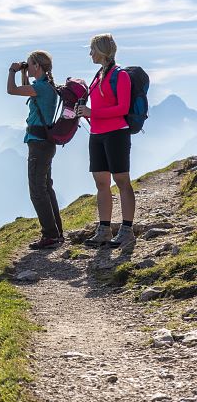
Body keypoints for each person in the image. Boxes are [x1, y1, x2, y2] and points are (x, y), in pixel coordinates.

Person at [75, 33, 136, 248]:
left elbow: (123, 108)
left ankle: (127, 230)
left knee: (122, 181)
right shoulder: (97, 76)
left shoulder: (120, 75)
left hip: (117, 133)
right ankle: (104, 230)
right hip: (97, 134)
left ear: (101, 51)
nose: (90, 54)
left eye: (92, 50)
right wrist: (85, 112)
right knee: (101, 182)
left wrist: (92, 112)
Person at [7, 51, 63, 249]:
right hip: (45, 143)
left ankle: (50, 235)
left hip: (39, 144)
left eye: (29, 64)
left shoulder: (41, 87)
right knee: (46, 188)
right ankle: (56, 233)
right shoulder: (45, 86)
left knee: (37, 192)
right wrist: (24, 72)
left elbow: (12, 90)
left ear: (37, 66)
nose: (27, 67)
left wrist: (12, 70)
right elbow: (25, 88)